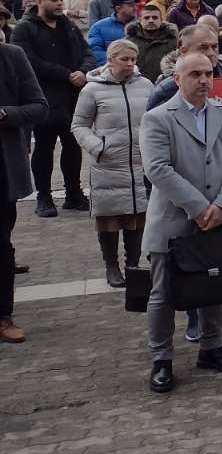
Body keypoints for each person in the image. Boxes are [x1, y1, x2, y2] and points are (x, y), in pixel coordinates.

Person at [140, 52, 222, 394]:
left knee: (213, 285)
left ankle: (211, 347)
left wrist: (221, 205)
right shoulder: (158, 118)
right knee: (162, 293)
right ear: (178, 79)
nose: (204, 80)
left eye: (209, 74)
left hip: (218, 216)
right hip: (173, 219)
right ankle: (161, 358)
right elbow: (157, 169)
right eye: (195, 74)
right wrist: (199, 207)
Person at [69, 38, 152, 287]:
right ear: (110, 60)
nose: (129, 64)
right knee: (110, 219)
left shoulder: (146, 85)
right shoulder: (92, 89)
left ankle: (133, 264)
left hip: (139, 162)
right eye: (123, 59)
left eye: (132, 59)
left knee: (137, 217)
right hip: (108, 164)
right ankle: (111, 265)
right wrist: (97, 147)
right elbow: (79, 125)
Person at [12, 0, 95, 216]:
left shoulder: (67, 25)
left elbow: (86, 51)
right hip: (43, 99)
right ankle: (44, 198)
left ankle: (73, 194)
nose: (60, 4)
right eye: (55, 0)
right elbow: (29, 62)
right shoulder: (25, 28)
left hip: (72, 98)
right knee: (44, 150)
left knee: (72, 147)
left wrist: (84, 71)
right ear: (40, 1)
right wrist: (67, 75)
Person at [0, 41, 46, 343]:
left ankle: (3, 315)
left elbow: (39, 107)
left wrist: (4, 114)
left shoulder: (12, 55)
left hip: (3, 174)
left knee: (1, 246)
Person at [126, 5, 178, 89]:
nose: (151, 21)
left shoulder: (174, 41)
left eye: (155, 18)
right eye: (146, 18)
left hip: (166, 87)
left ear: (161, 20)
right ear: (140, 20)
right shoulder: (128, 41)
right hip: (136, 87)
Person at [88, 0, 138, 65]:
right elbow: (95, 51)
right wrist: (116, 64)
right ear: (118, 8)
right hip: (109, 72)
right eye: (131, 5)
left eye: (135, 5)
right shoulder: (99, 27)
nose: (135, 8)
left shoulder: (141, 26)